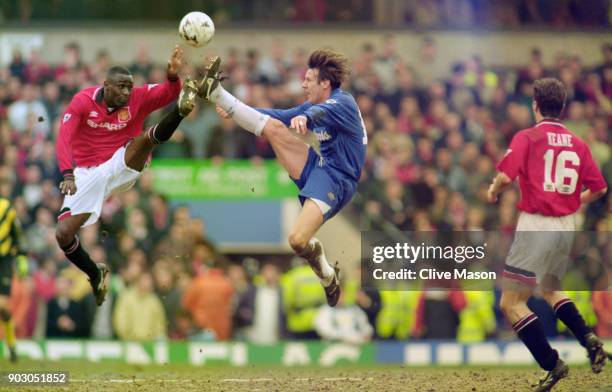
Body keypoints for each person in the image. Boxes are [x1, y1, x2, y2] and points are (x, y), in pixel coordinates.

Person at [198, 49, 368, 306]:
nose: (303, 84)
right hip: (320, 165)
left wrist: (305, 116)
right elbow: (276, 117)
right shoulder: (315, 105)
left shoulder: (343, 103)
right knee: (274, 129)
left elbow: (317, 115)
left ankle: (325, 271)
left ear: (325, 83)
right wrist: (229, 105)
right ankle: (217, 92)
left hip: (338, 181)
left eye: (309, 79)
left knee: (297, 240)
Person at [487, 78, 608, 391]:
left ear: (535, 105)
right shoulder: (579, 144)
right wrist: (573, 201)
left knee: (510, 304)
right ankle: (589, 339)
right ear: (563, 107)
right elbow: (600, 188)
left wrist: (493, 190)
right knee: (551, 289)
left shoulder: (528, 136)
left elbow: (505, 175)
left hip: (537, 224)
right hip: (565, 227)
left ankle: (552, 364)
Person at [55, 45, 200, 307]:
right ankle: (95, 273)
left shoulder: (138, 97)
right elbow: (63, 137)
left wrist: (172, 77)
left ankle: (180, 112)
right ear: (105, 86)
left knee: (144, 139)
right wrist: (67, 172)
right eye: (120, 87)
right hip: (87, 173)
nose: (125, 92)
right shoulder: (82, 101)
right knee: (63, 234)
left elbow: (170, 91)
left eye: (128, 87)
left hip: (122, 163)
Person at [0, 197, 28, 362]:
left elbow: (18, 234)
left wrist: (22, 257)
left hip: (3, 261)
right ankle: (11, 346)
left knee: (2, 307)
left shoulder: (6, 208)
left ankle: (11, 344)